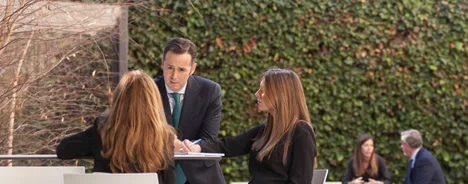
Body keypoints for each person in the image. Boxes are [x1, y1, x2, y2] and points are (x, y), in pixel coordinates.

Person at [181, 68, 317, 184]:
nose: (257, 94)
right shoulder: (265, 130)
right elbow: (229, 146)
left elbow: (301, 181)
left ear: (280, 95)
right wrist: (198, 147)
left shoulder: (301, 131)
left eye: (263, 90)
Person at [57, 70, 180, 184]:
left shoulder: (102, 130)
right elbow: (169, 181)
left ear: (118, 101)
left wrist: (93, 148)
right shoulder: (164, 137)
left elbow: (63, 150)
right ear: (154, 102)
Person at [155, 37, 225, 184]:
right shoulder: (149, 90)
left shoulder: (210, 91)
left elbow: (209, 139)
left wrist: (194, 147)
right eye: (169, 67)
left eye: (181, 70)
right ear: (162, 63)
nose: (174, 76)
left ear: (192, 69)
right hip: (157, 171)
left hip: (200, 175)